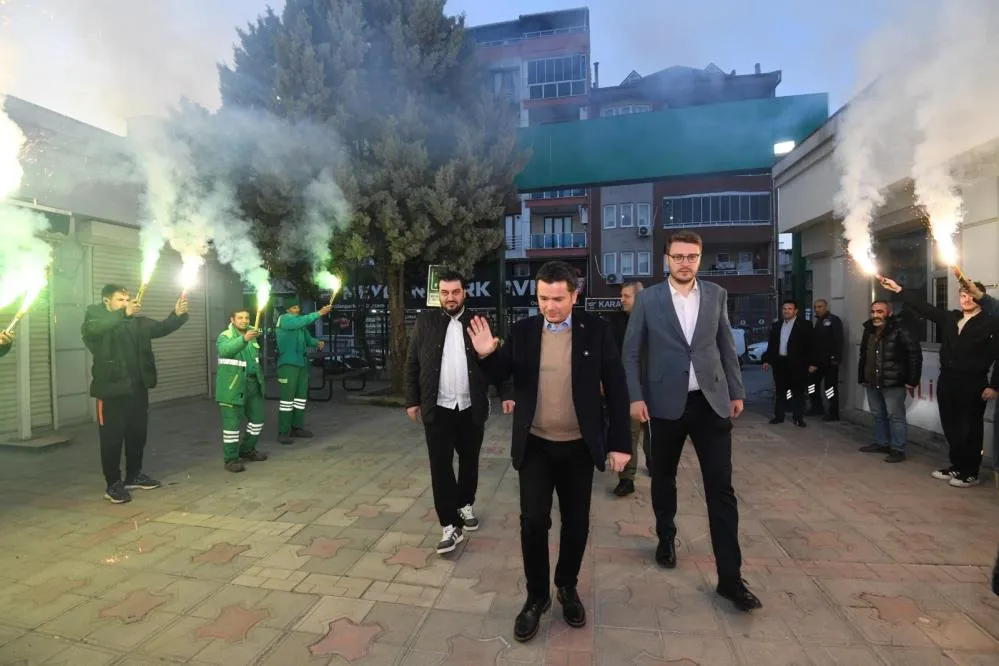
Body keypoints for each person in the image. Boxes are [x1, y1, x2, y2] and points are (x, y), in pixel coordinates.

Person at [467, 260, 631, 643]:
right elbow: (500, 375)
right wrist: (487, 354)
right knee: (533, 522)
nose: (550, 307)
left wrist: (620, 443)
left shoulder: (596, 331)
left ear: (574, 295)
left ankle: (567, 586)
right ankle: (537, 595)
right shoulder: (524, 331)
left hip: (578, 447)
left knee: (577, 523)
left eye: (558, 299)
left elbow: (617, 386)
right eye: (543, 298)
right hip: (536, 445)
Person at [624, 230, 761, 613]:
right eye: (678, 256)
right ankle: (666, 536)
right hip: (664, 405)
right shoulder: (648, 299)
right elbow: (630, 353)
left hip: (710, 403)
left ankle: (730, 579)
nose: (685, 263)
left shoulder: (716, 295)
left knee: (721, 488)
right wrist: (635, 397)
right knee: (663, 477)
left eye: (692, 257)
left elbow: (725, 344)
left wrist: (736, 390)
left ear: (700, 258)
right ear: (666, 259)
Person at [405, 271, 513, 555]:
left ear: (465, 292)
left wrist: (507, 392)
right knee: (440, 467)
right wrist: (412, 400)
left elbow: (498, 362)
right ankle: (449, 525)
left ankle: (465, 504)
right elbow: (412, 362)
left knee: (469, 461)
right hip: (438, 408)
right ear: (438, 294)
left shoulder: (479, 322)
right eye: (444, 293)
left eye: (455, 292)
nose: (450, 298)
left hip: (470, 407)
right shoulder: (425, 322)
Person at [878, 274, 999, 487]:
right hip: (948, 379)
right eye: (963, 295)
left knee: (970, 428)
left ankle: (971, 471)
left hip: (973, 382)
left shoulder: (991, 322)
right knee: (950, 425)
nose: (966, 299)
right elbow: (924, 308)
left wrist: (994, 385)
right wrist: (898, 289)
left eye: (971, 295)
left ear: (980, 297)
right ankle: (957, 465)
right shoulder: (951, 318)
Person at [82, 284, 189, 504]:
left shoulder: (137, 322)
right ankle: (113, 484)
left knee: (137, 435)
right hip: (112, 392)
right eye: (120, 300)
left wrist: (177, 315)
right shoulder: (95, 320)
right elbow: (95, 330)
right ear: (107, 302)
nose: (126, 303)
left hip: (137, 389)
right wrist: (123, 314)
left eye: (127, 299)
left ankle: (133, 475)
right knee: (111, 440)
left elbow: (161, 328)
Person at [856, 300, 922, 463]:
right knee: (878, 414)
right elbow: (864, 354)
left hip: (893, 382)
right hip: (872, 380)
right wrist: (863, 377)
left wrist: (912, 380)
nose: (875, 315)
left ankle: (898, 449)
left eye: (880, 311)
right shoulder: (869, 330)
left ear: (889, 313)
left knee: (896, 416)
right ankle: (882, 443)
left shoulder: (901, 329)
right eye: (873, 311)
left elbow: (914, 354)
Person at [605, 280, 651, 497]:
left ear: (639, 297)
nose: (621, 299)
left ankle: (654, 463)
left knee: (653, 431)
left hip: (654, 386)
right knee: (630, 432)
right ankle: (627, 478)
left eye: (626, 296)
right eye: (621, 295)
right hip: (628, 388)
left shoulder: (656, 321)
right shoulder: (615, 322)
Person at [216, 309, 269, 472]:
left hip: (253, 384)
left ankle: (247, 449)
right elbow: (225, 351)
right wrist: (244, 339)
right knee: (231, 426)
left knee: (258, 420)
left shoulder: (253, 333)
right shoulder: (224, 336)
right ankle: (230, 459)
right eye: (240, 318)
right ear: (232, 319)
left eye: (246, 318)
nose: (244, 320)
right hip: (232, 387)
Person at [274, 298, 331, 445]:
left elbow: (308, 339)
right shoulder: (285, 319)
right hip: (288, 365)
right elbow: (302, 321)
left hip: (302, 364)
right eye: (293, 308)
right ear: (287, 310)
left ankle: (296, 427)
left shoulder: (299, 324)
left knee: (300, 399)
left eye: (297, 307)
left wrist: (316, 343)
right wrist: (319, 313)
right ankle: (283, 432)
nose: (297, 310)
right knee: (287, 400)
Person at [762, 300, 815, 427]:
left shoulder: (805, 325)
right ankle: (779, 416)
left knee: (798, 392)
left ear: (795, 311)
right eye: (784, 309)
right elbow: (772, 345)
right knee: (780, 392)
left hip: (798, 364)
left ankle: (798, 418)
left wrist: (813, 363)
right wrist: (767, 360)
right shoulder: (777, 325)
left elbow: (811, 346)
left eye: (790, 309)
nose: (786, 311)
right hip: (780, 363)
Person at [808, 299, 844, 420]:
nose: (817, 309)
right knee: (811, 385)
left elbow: (838, 340)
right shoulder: (818, 322)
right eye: (815, 307)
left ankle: (833, 412)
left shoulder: (833, 320)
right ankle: (816, 407)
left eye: (820, 306)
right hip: (817, 362)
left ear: (826, 307)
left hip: (829, 362)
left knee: (830, 388)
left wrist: (835, 359)